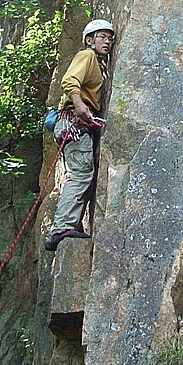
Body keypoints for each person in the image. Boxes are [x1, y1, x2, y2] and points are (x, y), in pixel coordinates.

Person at [44, 18, 115, 251]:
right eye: (102, 37)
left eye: (110, 38)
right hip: (73, 122)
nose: (108, 41)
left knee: (83, 172)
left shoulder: (97, 63)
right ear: (89, 40)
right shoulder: (86, 56)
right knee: (81, 173)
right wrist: (80, 104)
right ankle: (62, 227)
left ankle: (69, 223)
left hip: (74, 126)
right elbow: (69, 80)